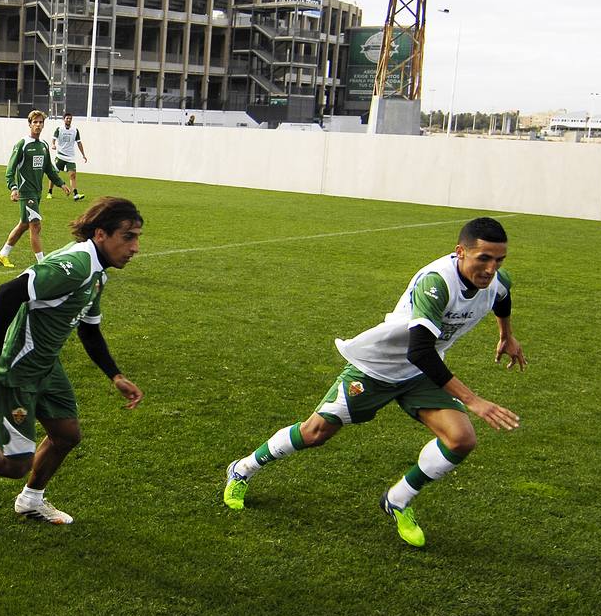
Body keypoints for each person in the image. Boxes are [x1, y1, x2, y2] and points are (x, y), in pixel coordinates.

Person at [222, 217, 526, 548]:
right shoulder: (437, 283)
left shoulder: (495, 281)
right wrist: (474, 401)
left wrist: (506, 336)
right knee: (315, 433)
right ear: (460, 253)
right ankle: (243, 468)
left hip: (422, 373)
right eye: (483, 258)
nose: (491, 268)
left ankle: (397, 500)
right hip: (379, 367)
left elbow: (501, 297)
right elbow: (420, 351)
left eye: (499, 260)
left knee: (461, 439)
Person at [0, 197, 145, 525]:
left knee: (66, 435)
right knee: (14, 462)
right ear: (101, 234)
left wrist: (115, 375)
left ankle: (30, 500)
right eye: (128, 237)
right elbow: (10, 292)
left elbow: (90, 330)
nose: (135, 247)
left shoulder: (97, 274)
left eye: (137, 237)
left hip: (47, 366)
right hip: (17, 367)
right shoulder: (76, 266)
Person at [0, 110, 70, 268]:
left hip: (37, 193)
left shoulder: (43, 146)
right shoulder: (22, 144)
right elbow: (10, 169)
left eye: (41, 122)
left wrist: (61, 183)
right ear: (29, 124)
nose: (38, 125)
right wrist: (13, 187)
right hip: (25, 191)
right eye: (35, 122)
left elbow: (49, 169)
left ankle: (3, 254)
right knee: (35, 225)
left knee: (23, 224)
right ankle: (42, 263)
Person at [48, 112, 88, 202]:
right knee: (54, 174)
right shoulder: (59, 129)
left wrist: (83, 155)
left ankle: (75, 194)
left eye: (70, 118)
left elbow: (79, 143)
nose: (69, 120)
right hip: (60, 155)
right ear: (64, 119)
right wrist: (53, 145)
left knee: (73, 175)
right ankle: (49, 192)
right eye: (67, 118)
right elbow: (53, 139)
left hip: (70, 157)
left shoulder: (75, 130)